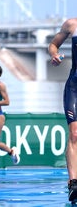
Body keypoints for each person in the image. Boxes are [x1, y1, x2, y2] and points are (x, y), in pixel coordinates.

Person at [48, 18, 77, 202]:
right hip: (74, 87)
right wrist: (54, 55)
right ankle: (73, 183)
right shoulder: (72, 24)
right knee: (74, 134)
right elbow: (53, 44)